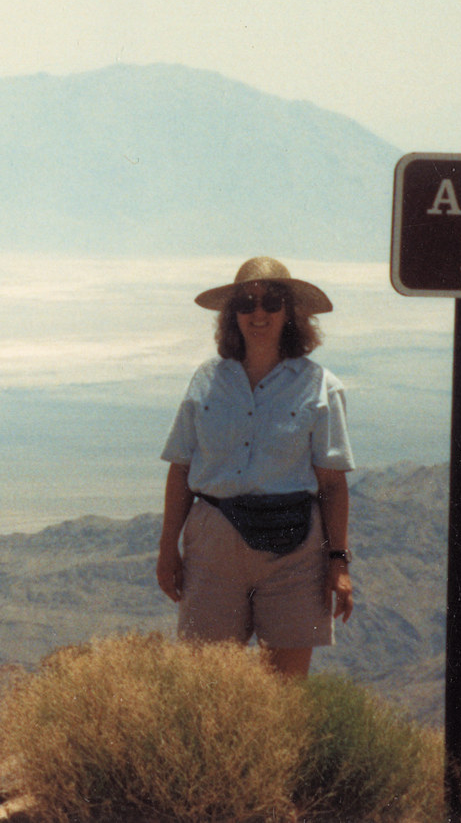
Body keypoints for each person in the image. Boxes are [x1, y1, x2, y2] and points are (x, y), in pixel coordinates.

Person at [155, 256, 355, 678]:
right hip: (212, 546)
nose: (259, 313)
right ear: (233, 316)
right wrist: (166, 549)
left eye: (272, 302)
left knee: (285, 690)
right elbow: (181, 470)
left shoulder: (320, 386)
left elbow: (333, 486)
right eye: (247, 303)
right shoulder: (206, 381)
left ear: (291, 313)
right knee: (206, 688)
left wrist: (338, 563)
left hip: (295, 552)